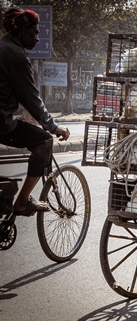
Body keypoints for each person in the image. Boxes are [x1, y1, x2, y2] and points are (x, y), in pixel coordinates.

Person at [0, 7, 70, 216]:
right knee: (43, 141)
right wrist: (53, 127)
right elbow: (30, 98)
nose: (38, 38)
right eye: (35, 32)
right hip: (1, 123)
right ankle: (22, 202)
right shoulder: (15, 55)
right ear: (22, 31)